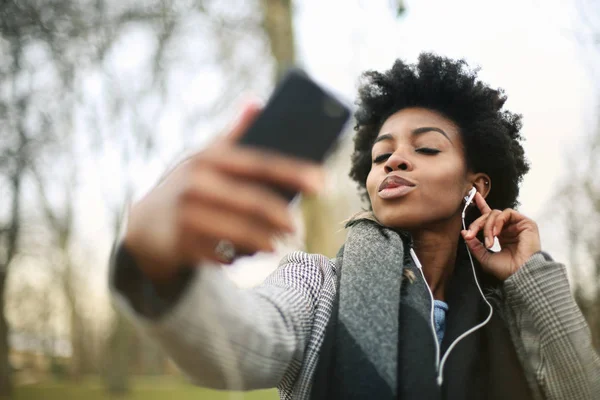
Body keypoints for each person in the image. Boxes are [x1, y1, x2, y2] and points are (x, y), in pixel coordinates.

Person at [110, 53, 600, 400]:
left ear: (476, 186)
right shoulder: (317, 283)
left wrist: (527, 274)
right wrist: (156, 261)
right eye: (382, 154)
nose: (394, 162)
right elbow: (238, 350)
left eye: (425, 148)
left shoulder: (512, 307)